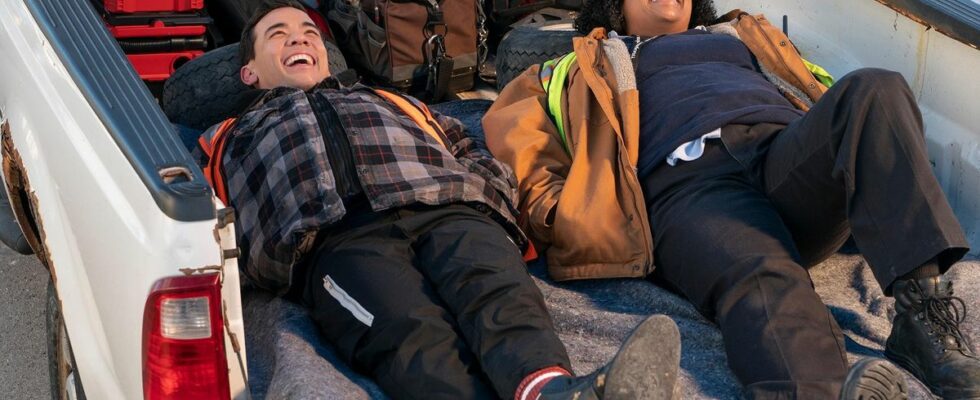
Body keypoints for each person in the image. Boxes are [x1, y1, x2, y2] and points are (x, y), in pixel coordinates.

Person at [483, 0, 979, 398]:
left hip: (783, 156)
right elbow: (521, 145)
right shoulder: (575, 63)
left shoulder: (744, 36)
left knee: (876, 87)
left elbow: (824, 97)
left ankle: (923, 322)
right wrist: (567, 216)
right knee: (760, 272)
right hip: (688, 184)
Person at [193, 1, 685, 399]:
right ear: (249, 73)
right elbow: (217, 219)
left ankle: (556, 392)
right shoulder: (227, 136)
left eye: (308, 32)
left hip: (448, 204)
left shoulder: (389, 98)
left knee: (498, 294)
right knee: (409, 332)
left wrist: (487, 200)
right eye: (278, 34)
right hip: (340, 237)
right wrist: (282, 263)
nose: (299, 37)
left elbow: (464, 142)